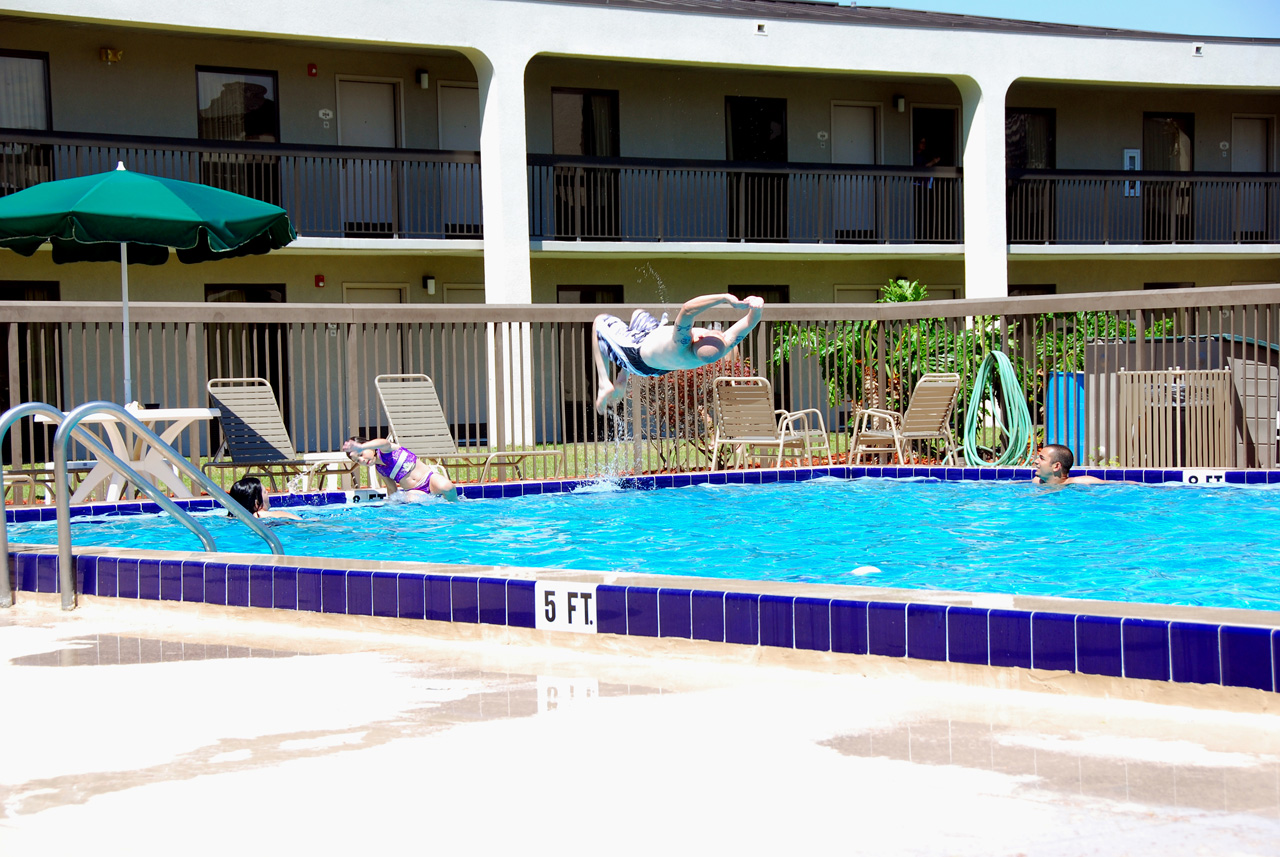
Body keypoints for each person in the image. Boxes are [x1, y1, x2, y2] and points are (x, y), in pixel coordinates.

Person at [593, 293, 764, 413]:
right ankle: (622, 380)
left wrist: (725, 298)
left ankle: (604, 383)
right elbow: (749, 322)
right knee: (638, 315)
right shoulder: (722, 345)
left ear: (699, 337)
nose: (720, 331)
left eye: (714, 331)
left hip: (635, 353)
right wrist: (757, 306)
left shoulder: (681, 342)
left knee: (599, 323)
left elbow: (688, 309)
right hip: (656, 359)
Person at [342, 436, 459, 501]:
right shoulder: (380, 469)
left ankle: (454, 508)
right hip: (414, 490)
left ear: (370, 446)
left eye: (361, 454)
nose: (362, 460)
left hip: (429, 479)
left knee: (448, 487)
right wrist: (391, 505)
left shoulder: (387, 450)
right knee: (413, 502)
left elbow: (383, 442)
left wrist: (361, 446)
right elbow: (391, 488)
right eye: (357, 461)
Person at [227, 476, 302, 520]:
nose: (268, 493)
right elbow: (301, 522)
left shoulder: (232, 518)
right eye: (265, 492)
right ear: (256, 503)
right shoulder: (272, 515)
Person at [1031, 444, 1105, 486]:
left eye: (1042, 458)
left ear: (1056, 466)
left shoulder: (1083, 482)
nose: (1036, 461)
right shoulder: (1036, 481)